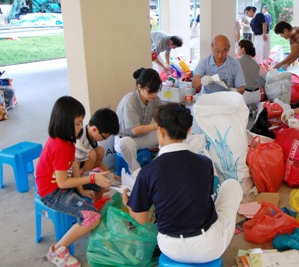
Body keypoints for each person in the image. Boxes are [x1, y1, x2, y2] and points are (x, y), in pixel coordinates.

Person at [122, 103, 243, 264]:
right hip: (207, 248)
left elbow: (141, 219)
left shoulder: (148, 172)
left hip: (170, 248)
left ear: (161, 131)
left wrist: (129, 203)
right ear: (188, 130)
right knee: (232, 186)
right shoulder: (204, 162)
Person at [35, 96, 111, 267]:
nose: (80, 128)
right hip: (52, 193)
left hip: (61, 186)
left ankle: (84, 223)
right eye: (77, 124)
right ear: (63, 122)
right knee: (92, 217)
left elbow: (74, 165)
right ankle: (57, 250)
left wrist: (82, 189)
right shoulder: (60, 146)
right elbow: (62, 183)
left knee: (98, 186)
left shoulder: (67, 140)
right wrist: (91, 177)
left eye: (81, 122)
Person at [114, 68, 162, 174]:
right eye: (150, 91)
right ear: (139, 87)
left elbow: (163, 115)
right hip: (126, 138)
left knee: (167, 133)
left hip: (143, 138)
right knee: (126, 144)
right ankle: (137, 173)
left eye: (156, 91)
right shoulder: (130, 101)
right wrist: (156, 126)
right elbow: (135, 130)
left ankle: (157, 166)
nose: (154, 95)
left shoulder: (155, 100)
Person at [73, 108, 119, 201]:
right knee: (93, 154)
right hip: (76, 174)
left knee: (100, 151)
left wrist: (109, 174)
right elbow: (75, 168)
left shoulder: (90, 134)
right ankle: (92, 189)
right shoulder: (80, 142)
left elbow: (100, 162)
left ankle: (97, 200)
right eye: (104, 137)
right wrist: (94, 179)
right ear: (94, 130)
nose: (104, 140)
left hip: (83, 166)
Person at [237, 39, 265, 106]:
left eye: (238, 47)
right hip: (257, 96)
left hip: (245, 96)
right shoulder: (255, 62)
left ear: (243, 49)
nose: (237, 49)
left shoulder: (237, 62)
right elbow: (261, 81)